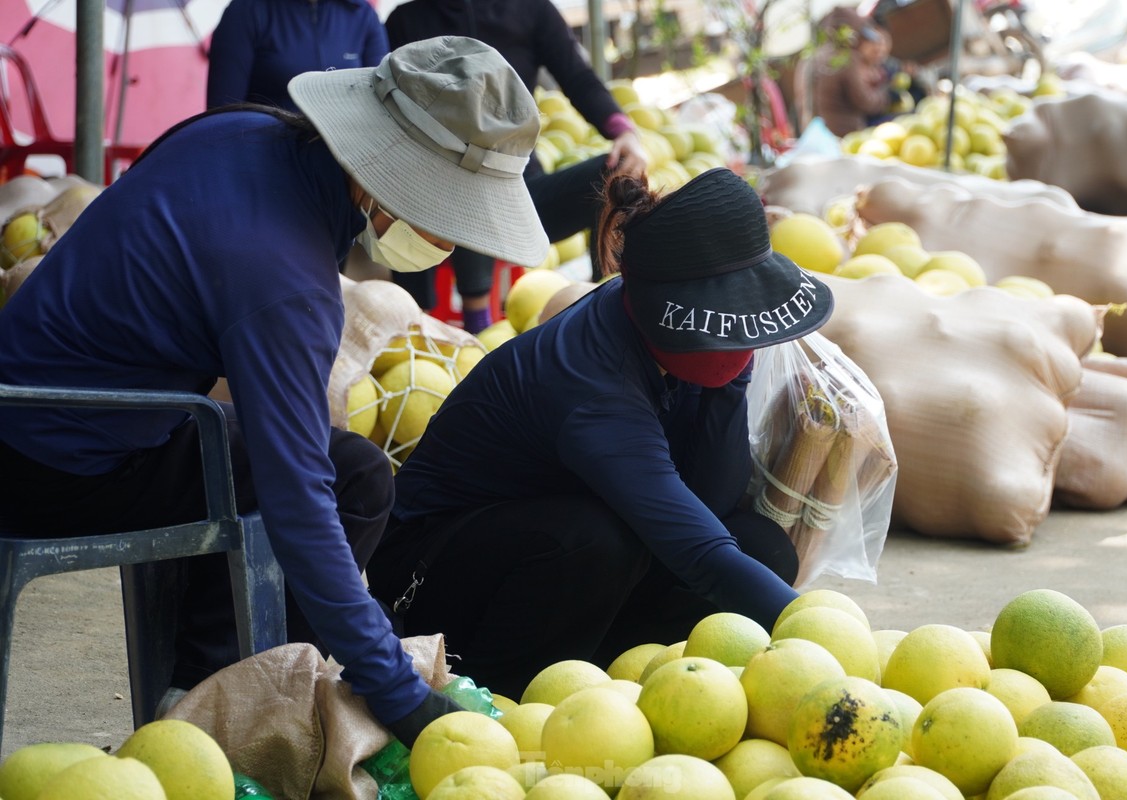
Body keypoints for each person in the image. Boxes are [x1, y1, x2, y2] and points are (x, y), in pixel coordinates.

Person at [0, 37, 549, 747]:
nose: (450, 239)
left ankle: (193, 675)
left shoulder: (239, 129)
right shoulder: (284, 280)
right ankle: (217, 705)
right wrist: (401, 696)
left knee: (301, 461)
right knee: (351, 482)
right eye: (450, 214)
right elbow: (300, 504)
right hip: (56, 466)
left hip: (39, 407)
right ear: (388, 180)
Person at [365, 167, 836, 698]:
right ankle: (500, 691)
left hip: (551, 547)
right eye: (731, 315)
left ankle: (601, 666)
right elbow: (701, 553)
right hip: (431, 575)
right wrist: (835, 644)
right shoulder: (592, 386)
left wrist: (730, 379)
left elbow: (713, 500)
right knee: (596, 542)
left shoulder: (666, 337)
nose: (741, 330)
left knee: (761, 548)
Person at [384, 0, 650, 333]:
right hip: (433, 204)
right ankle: (461, 329)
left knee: (620, 172)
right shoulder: (406, 21)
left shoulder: (531, 10)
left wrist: (623, 131)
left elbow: (577, 76)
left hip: (520, 197)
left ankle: (605, 306)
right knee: (465, 170)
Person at [206, 0, 389, 111]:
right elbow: (222, 111)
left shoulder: (362, 14)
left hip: (345, 157)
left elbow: (381, 103)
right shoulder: (246, 10)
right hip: (268, 152)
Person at [794, 15, 894, 138]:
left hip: (814, 135)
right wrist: (886, 95)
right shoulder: (846, 58)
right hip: (844, 136)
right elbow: (864, 101)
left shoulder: (807, 60)